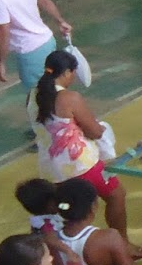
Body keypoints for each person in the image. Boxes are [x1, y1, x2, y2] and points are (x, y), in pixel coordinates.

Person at [31, 49, 136, 241]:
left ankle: (69, 246)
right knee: (116, 195)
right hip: (80, 165)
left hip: (50, 169)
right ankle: (122, 243)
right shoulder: (70, 98)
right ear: (67, 73)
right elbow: (94, 131)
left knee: (67, 208)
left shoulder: (33, 95)